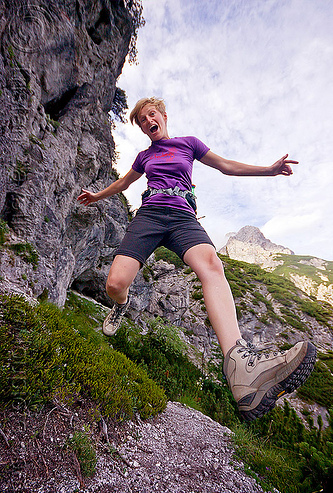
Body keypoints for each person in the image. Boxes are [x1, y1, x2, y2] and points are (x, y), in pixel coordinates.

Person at [77, 97, 316, 421]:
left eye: (151, 114)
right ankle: (121, 305)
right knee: (115, 284)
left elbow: (225, 165)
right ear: (143, 128)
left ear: (163, 116)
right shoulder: (145, 156)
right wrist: (98, 195)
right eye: (142, 119)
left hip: (182, 217)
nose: (148, 120)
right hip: (149, 215)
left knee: (212, 265)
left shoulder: (188, 145)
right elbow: (124, 183)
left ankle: (241, 370)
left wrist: (269, 170)